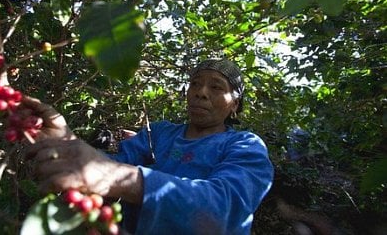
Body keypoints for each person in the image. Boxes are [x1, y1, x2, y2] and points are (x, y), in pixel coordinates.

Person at [24, 59, 274, 235]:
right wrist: (66, 144)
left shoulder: (245, 146)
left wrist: (115, 177)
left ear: (234, 104)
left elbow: (225, 209)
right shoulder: (161, 132)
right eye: (195, 84)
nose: (200, 93)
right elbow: (110, 162)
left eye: (217, 87)